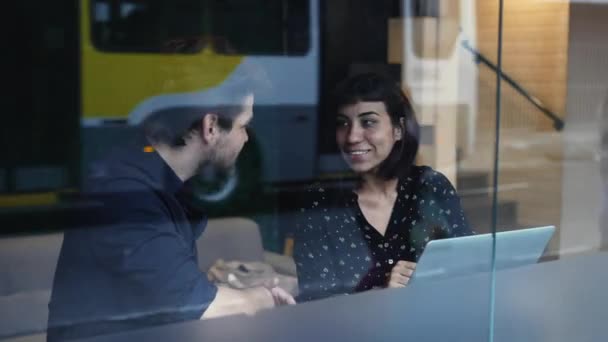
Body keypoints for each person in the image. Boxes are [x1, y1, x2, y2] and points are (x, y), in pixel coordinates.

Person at [47, 76, 294, 341]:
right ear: (210, 127)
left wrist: (243, 294)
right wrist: (265, 297)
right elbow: (202, 309)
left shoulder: (150, 181)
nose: (246, 138)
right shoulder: (128, 196)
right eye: (244, 126)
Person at [293, 72, 474, 302]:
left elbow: (470, 267)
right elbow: (314, 300)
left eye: (368, 122)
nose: (352, 137)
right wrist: (381, 296)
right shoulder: (321, 200)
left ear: (398, 129)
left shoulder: (430, 187)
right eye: (343, 124)